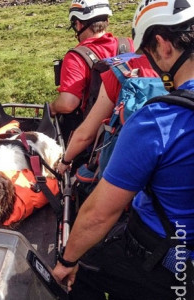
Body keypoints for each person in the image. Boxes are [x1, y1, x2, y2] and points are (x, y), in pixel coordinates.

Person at [52, 0, 194, 299]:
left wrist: (67, 261)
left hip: (165, 258)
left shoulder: (158, 120)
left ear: (163, 45)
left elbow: (99, 215)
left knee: (82, 272)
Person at [57, 54, 158, 176]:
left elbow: (85, 135)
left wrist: (65, 161)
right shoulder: (184, 72)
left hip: (125, 172)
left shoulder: (122, 73)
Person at [49, 0, 133, 144]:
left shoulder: (76, 57)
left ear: (79, 24)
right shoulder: (130, 44)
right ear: (106, 20)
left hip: (95, 135)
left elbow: (68, 104)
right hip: (132, 122)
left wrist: (52, 107)